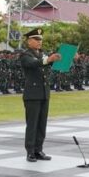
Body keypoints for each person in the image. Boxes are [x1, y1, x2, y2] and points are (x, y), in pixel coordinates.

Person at [20, 28, 61, 162]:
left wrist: (63, 57)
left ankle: (39, 150)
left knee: (42, 124)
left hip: (44, 93)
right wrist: (48, 60)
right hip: (32, 94)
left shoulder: (42, 54)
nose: (39, 42)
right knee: (32, 124)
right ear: (29, 41)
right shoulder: (25, 55)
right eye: (36, 40)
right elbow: (33, 64)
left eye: (40, 40)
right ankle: (30, 151)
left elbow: (51, 63)